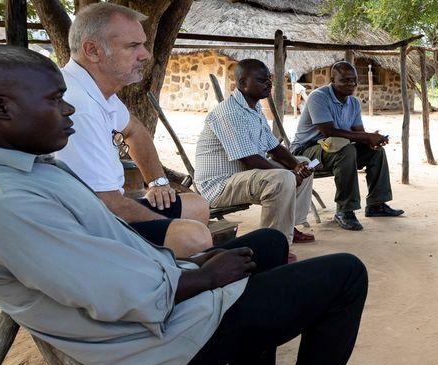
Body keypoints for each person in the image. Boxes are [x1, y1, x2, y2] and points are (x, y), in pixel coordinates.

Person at [0, 45, 379, 365]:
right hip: (155, 341)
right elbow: (114, 293)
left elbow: (107, 243)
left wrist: (194, 259)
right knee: (344, 274)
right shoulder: (4, 205)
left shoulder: (28, 173)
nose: (69, 111)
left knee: (266, 242)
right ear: (1, 108)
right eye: (56, 101)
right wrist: (204, 279)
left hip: (161, 304)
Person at [54, 3, 212, 257]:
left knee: (197, 206)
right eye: (133, 46)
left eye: (143, 44)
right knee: (194, 236)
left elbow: (135, 130)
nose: (146, 54)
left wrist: (158, 182)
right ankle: (168, 282)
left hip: (104, 210)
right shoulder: (78, 106)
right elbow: (108, 206)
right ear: (92, 50)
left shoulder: (95, 90)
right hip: (84, 229)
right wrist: (167, 225)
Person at [196, 59, 317, 244]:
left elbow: (274, 147)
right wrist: (289, 174)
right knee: (283, 178)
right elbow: (250, 159)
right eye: (262, 80)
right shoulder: (230, 113)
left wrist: (297, 166)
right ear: (243, 84)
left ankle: (288, 226)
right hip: (220, 185)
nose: (269, 83)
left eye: (269, 78)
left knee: (303, 164)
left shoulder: (254, 108)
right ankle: (272, 243)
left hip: (243, 176)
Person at [291, 61, 404, 231]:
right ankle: (345, 210)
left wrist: (371, 141)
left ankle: (376, 204)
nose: (351, 84)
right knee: (346, 150)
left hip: (335, 149)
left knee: (375, 153)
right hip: (307, 152)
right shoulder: (318, 97)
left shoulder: (353, 102)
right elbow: (329, 131)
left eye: (354, 80)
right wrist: (367, 137)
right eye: (344, 80)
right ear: (332, 80)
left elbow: (358, 132)